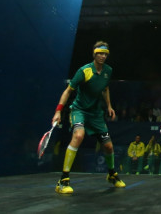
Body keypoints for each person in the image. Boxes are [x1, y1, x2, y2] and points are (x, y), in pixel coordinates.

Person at [51, 41, 126, 194]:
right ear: (94, 54)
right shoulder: (84, 71)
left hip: (96, 114)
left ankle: (112, 175)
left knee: (108, 146)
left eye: (105, 54)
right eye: (100, 53)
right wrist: (58, 111)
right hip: (79, 110)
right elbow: (67, 91)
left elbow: (105, 88)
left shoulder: (108, 71)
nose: (103, 56)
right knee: (79, 135)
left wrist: (109, 106)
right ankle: (63, 180)